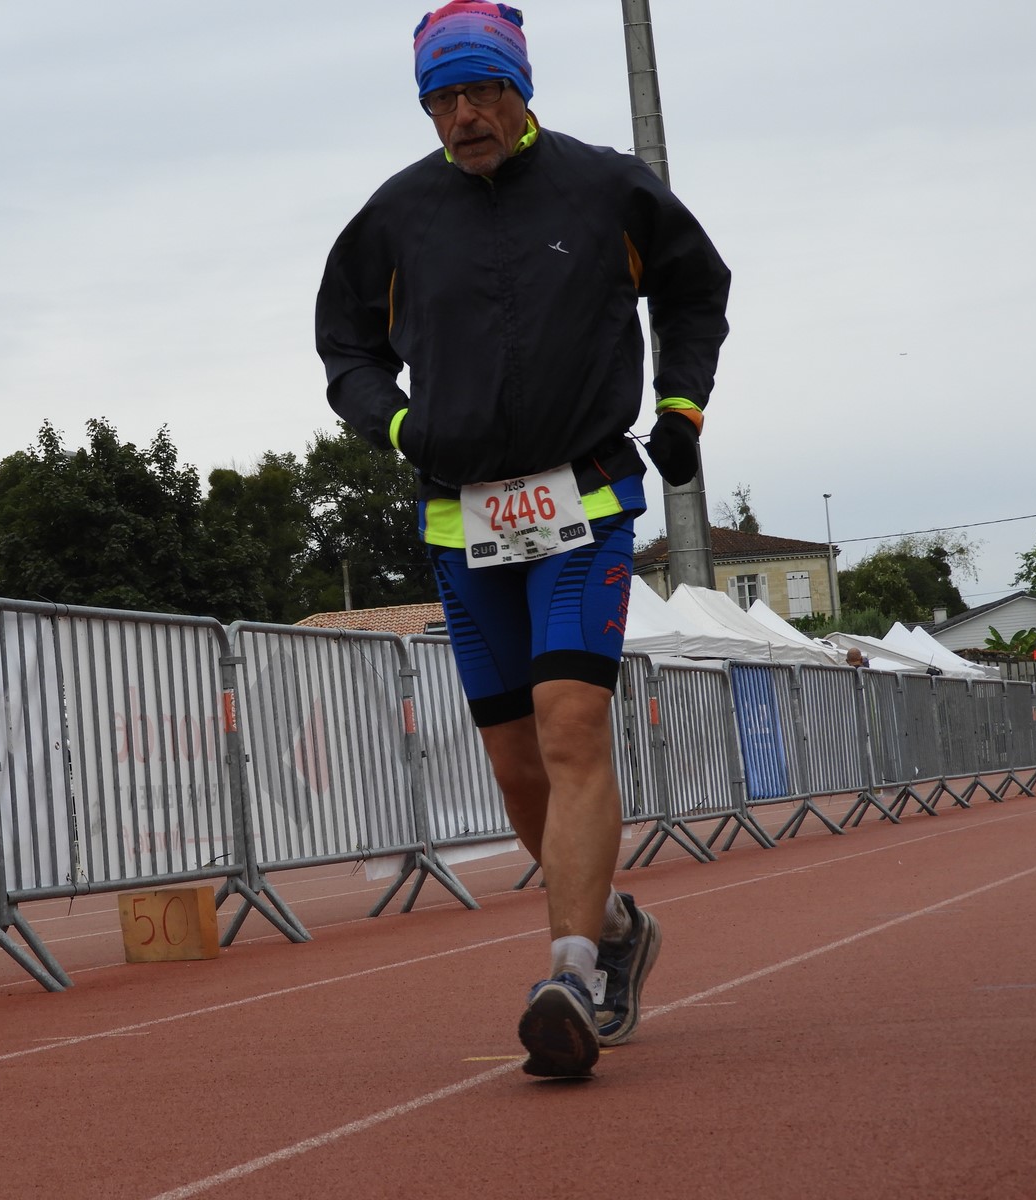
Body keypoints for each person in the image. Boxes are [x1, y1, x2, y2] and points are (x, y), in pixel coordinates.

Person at [315, 2, 731, 1078]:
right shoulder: (396, 215)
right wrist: (398, 425)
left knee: (569, 725)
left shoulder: (604, 189)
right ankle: (617, 926)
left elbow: (696, 290)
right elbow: (346, 349)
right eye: (441, 99)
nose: (463, 116)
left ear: (519, 90)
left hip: (582, 502)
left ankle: (572, 974)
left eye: (480, 92)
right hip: (463, 520)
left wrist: (680, 406)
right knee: (515, 763)